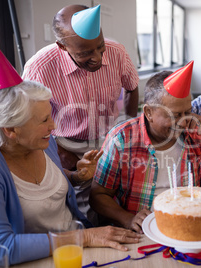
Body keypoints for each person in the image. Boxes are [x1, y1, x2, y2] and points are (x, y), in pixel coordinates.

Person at [0, 80, 141, 265]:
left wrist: (76, 176)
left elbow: (44, 184)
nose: (53, 126)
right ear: (11, 130)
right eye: (44, 120)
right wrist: (84, 237)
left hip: (77, 249)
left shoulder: (44, 142)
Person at [22, 4, 139, 224]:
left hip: (109, 137)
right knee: (80, 206)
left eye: (100, 47)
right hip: (66, 143)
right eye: (85, 53)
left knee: (115, 195)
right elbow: (30, 118)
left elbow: (132, 86)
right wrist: (57, 149)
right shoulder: (39, 68)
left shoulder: (117, 52)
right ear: (62, 46)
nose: (97, 58)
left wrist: (128, 127)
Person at [90, 63, 201, 233]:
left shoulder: (196, 136)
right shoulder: (122, 139)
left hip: (187, 229)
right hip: (138, 234)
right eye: (175, 115)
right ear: (148, 112)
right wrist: (128, 219)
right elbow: (98, 196)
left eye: (188, 112)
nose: (184, 122)